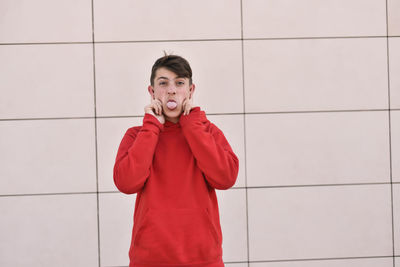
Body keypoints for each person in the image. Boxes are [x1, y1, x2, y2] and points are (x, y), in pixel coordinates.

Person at [113, 53, 239, 267]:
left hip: (203, 260)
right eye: (163, 83)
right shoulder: (137, 135)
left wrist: (192, 125)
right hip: (149, 260)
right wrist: (152, 126)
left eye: (179, 83)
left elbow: (226, 178)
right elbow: (126, 183)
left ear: (190, 91)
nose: (171, 90)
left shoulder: (207, 131)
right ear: (152, 92)